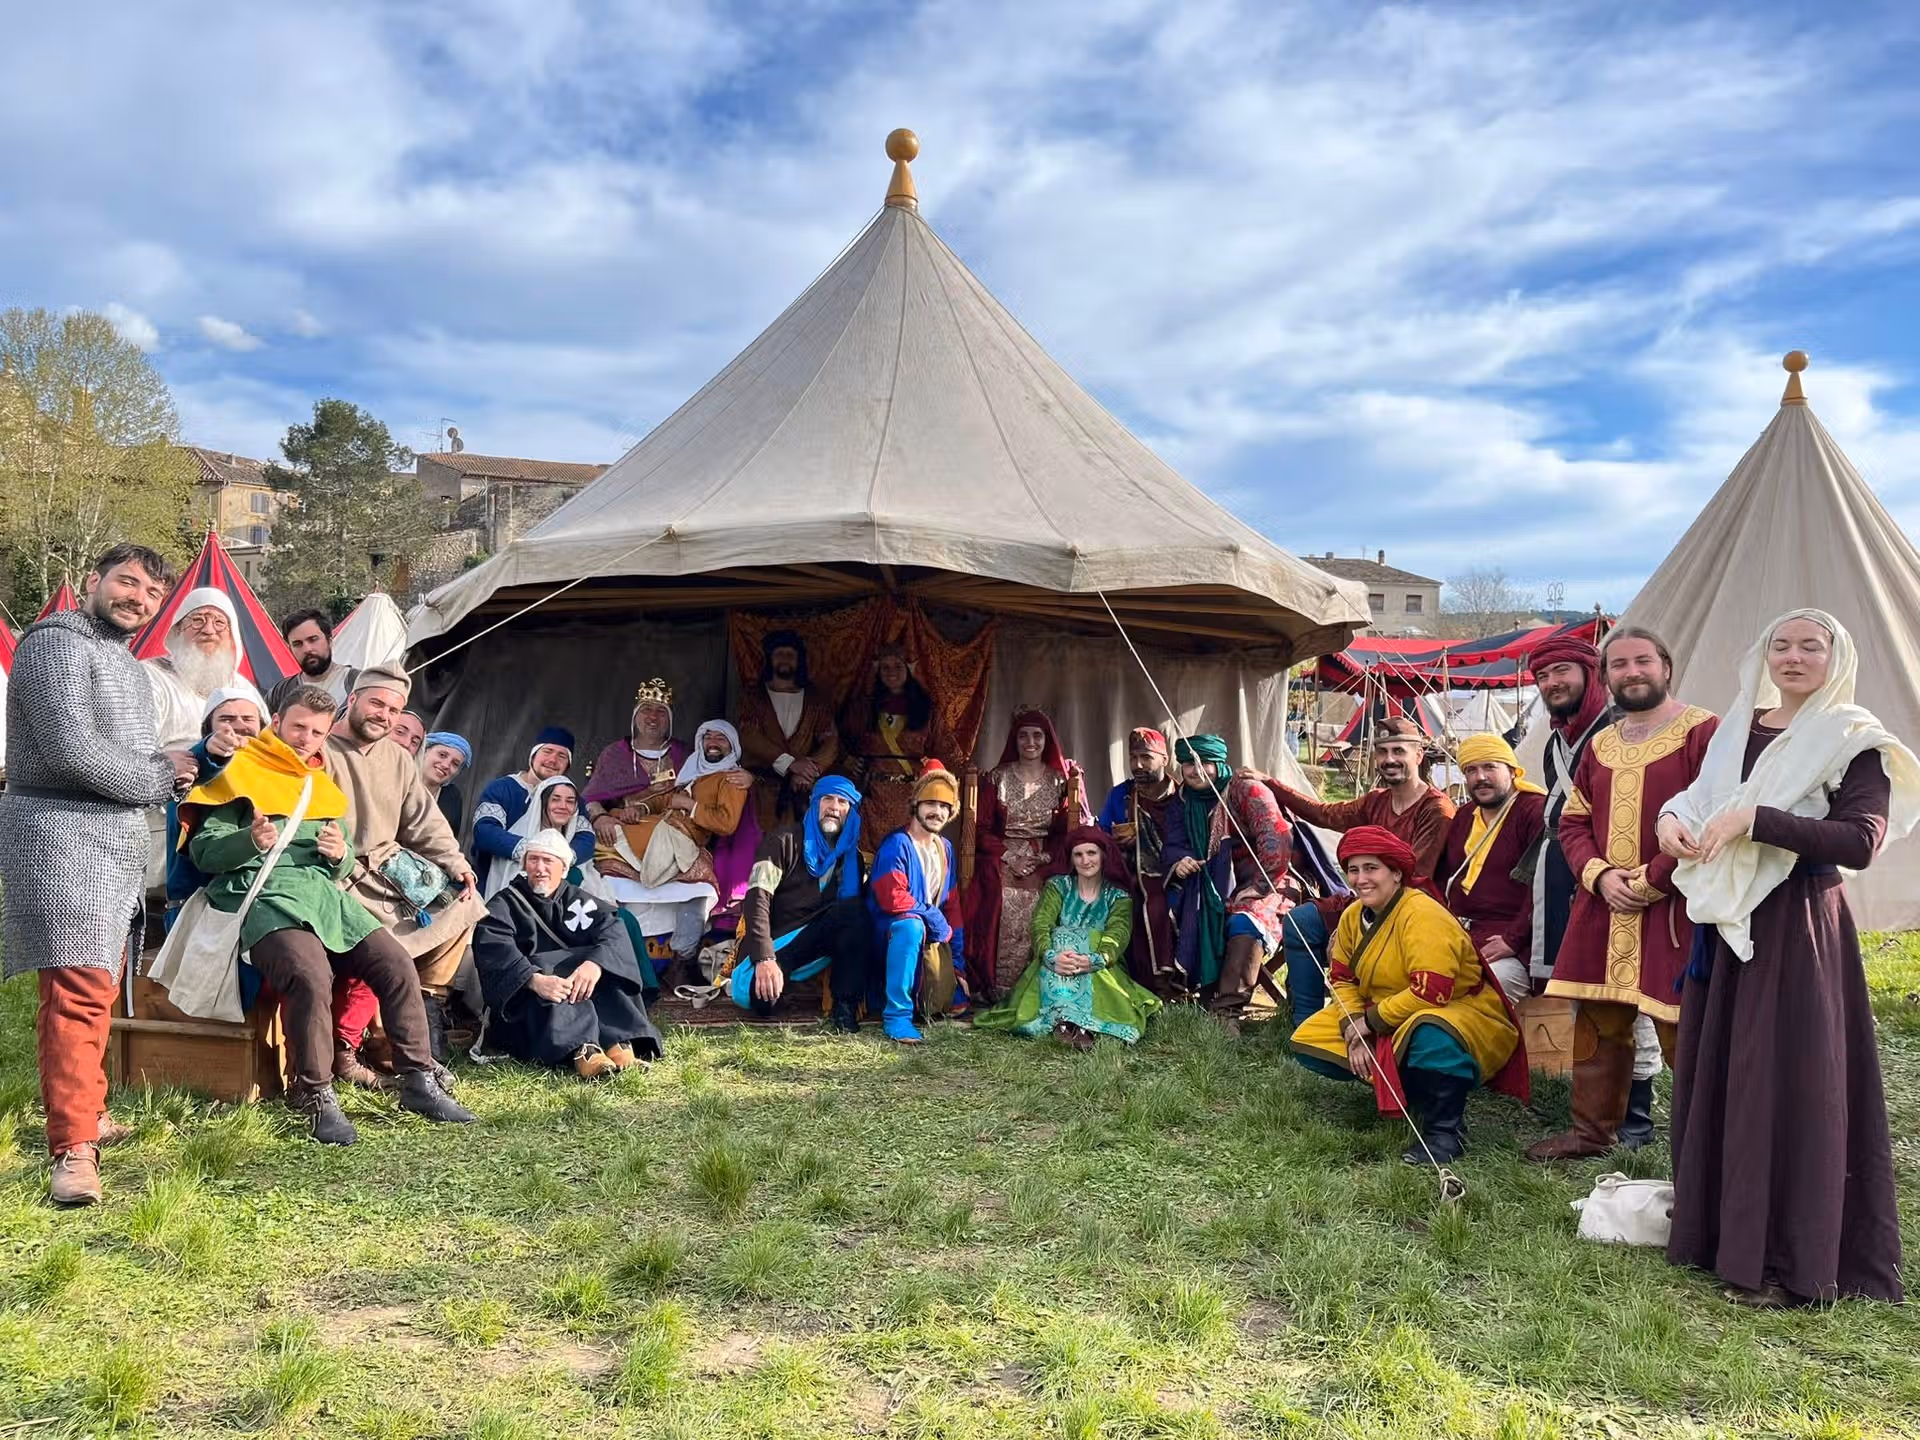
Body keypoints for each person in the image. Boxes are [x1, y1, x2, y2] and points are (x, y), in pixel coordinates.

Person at [1658, 610, 1918, 1306]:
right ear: (1764, 654)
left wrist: (1755, 820)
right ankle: (1718, 1236)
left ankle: (1787, 1259)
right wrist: (1671, 822)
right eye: (1782, 644)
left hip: (1797, 926)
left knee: (1787, 1084)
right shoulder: (1738, 727)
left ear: (1837, 655)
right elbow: (1698, 796)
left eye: (1811, 645)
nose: (1795, 657)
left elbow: (1861, 838)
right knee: (1730, 1076)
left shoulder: (1853, 738)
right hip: (1730, 921)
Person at [180, 689, 474, 1142]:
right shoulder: (241, 771)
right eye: (298, 727)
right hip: (264, 896)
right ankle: (314, 1090)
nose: (306, 739)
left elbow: (340, 855)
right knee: (309, 973)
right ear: (276, 721)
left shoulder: (317, 781)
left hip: (323, 896)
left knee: (395, 963)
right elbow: (203, 851)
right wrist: (249, 842)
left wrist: (340, 855)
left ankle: (417, 1078)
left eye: (317, 732)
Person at [1, 544, 196, 1206]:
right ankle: (72, 1150)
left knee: (95, 985)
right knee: (80, 990)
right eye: (126, 582)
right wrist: (160, 774)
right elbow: (70, 751)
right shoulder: (54, 645)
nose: (137, 598)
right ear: (94, 581)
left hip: (108, 843)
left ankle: (87, 1111)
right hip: (60, 836)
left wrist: (161, 767)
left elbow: (130, 752)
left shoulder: (127, 665)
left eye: (150, 593)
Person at [1526, 627, 1718, 1161]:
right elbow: (1573, 820)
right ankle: (1591, 1134)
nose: (1632, 672)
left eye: (1642, 661)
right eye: (1619, 665)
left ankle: (1707, 1146)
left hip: (1678, 903)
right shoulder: (1602, 744)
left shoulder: (1704, 732)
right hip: (1604, 901)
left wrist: (1653, 880)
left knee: (1686, 1028)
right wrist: (1600, 876)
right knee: (1596, 1022)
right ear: (1606, 677)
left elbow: (1712, 814)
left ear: (1666, 666)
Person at [1290, 827, 1526, 1164]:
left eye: (1371, 868)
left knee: (1432, 1035)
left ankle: (1445, 1131)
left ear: (1396, 873)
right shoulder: (1352, 917)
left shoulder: (1422, 915)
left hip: (1456, 1008)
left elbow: (1431, 993)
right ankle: (1415, 1088)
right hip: (1382, 1012)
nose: (1360, 879)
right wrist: (1353, 1025)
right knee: (1311, 1043)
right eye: (1353, 870)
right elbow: (1342, 978)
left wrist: (1368, 1024)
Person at [1527, 631, 1661, 1147]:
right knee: (1596, 998)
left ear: (1591, 674)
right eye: (1542, 675)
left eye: (1562, 671)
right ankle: (1598, 1121)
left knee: (1637, 998)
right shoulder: (1560, 741)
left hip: (1632, 884)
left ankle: (1636, 1122)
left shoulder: (1622, 729)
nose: (1552, 682)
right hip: (1580, 881)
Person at [323, 663, 487, 1061]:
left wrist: (456, 864)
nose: (384, 714)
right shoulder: (321, 749)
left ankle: (427, 1006)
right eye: (377, 703)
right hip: (336, 874)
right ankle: (365, 1042)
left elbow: (423, 821)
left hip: (386, 872)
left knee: (466, 904)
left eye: (393, 710)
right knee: (387, 945)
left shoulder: (396, 758)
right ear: (353, 700)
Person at [1251, 717, 1456, 1030]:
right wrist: (1270, 784)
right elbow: (1324, 813)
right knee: (1300, 922)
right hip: (1366, 899)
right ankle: (1306, 1025)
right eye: (1382, 752)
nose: (1389, 760)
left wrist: (1353, 925)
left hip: (1411, 912)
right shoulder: (1376, 801)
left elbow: (1416, 877)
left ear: (1419, 755)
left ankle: (1360, 1021)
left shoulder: (1436, 809)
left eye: (1398, 751)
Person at [473, 829, 664, 1080]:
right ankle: (584, 1051)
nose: (540, 868)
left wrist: (595, 965)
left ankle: (619, 1044)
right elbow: (494, 946)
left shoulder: (578, 900)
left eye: (548, 861)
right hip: (533, 999)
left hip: (576, 988)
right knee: (552, 972)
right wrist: (533, 979)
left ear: (563, 869)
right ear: (524, 864)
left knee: (604, 968)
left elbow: (613, 929)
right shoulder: (505, 904)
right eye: (533, 859)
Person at [594, 718, 752, 981]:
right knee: (604, 852)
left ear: (732, 746)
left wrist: (691, 807)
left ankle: (682, 960)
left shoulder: (731, 778)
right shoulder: (694, 771)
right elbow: (666, 798)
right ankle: (612, 953)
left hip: (681, 838)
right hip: (658, 828)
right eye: (708, 737)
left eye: (720, 738)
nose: (712, 742)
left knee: (700, 889)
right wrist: (641, 808)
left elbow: (727, 823)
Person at [976, 826, 1160, 1049]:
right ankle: (1065, 1022)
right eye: (1078, 854)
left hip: (1101, 964)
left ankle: (1080, 1025)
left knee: (1085, 938)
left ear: (1103, 855)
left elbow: (1118, 933)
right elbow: (1041, 923)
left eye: (1091, 853)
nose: (1085, 860)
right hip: (1056, 960)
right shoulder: (1058, 886)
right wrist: (1051, 955)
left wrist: (1095, 959)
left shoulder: (1118, 896)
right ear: (1071, 859)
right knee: (1062, 936)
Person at [1160, 734, 1294, 1033]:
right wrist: (1179, 859)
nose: (1194, 771)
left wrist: (1259, 885)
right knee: (1168, 906)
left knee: (1245, 921)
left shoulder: (1246, 790)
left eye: (1202, 763)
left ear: (1218, 763)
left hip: (1272, 879)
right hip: (1210, 881)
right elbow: (1173, 843)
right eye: (1187, 764)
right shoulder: (1182, 800)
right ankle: (1187, 993)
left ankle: (1227, 1011)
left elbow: (1276, 840)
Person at [966, 706, 1092, 999]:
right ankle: (993, 986)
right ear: (1014, 739)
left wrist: (1043, 858)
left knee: (1048, 894)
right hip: (1003, 853)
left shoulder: (1061, 781)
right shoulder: (997, 778)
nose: (1030, 742)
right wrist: (1010, 857)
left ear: (1047, 740)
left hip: (1044, 855)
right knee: (996, 893)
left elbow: (1067, 832)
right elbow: (981, 829)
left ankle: (1036, 986)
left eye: (1037, 735)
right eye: (1023, 736)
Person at [735, 775, 872, 1029]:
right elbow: (757, 900)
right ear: (814, 803)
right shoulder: (782, 842)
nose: (834, 807)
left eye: (842, 802)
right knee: (759, 1001)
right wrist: (765, 959)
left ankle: (845, 1007)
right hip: (779, 945)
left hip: (819, 942)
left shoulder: (852, 858)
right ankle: (778, 980)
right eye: (827, 799)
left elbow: (852, 928)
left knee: (853, 911)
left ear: (850, 811)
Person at [1436, 734, 1547, 1003]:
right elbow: (1441, 881)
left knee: (1483, 993)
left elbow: (1544, 887)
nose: (1480, 777)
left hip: (1515, 944)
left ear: (1512, 771)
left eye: (1490, 767)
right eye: (1471, 770)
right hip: (1463, 937)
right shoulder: (1464, 816)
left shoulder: (1534, 812)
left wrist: (1512, 939)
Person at [869, 761, 970, 1044]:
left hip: (929, 934)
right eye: (930, 803)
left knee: (956, 1003)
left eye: (944, 805)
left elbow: (952, 908)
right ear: (916, 804)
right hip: (889, 933)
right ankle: (897, 1015)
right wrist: (934, 918)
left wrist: (957, 966)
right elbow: (892, 898)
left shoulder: (945, 848)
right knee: (910, 926)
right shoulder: (897, 844)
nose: (937, 811)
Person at [1095, 727, 1181, 993]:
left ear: (1164, 759)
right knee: (1135, 901)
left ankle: (1166, 982)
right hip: (1129, 873)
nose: (1138, 765)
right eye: (1133, 758)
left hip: (1177, 875)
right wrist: (1117, 844)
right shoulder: (1121, 795)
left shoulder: (1182, 796)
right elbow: (1101, 836)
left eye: (1146, 757)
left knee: (1159, 905)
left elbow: (1192, 842)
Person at [738, 630, 840, 832]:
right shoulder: (753, 697)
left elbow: (831, 741)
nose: (784, 659)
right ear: (770, 660)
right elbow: (749, 736)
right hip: (760, 791)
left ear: (798, 661)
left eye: (790, 655)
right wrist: (791, 764)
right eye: (779, 654)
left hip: (801, 791)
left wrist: (810, 770)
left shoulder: (815, 699)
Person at [843, 643, 934, 846]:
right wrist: (847, 759)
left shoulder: (925, 708)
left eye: (897, 666)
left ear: (908, 670)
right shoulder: (864, 707)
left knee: (906, 854)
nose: (891, 672)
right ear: (878, 671)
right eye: (885, 667)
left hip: (911, 797)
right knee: (867, 857)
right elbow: (839, 739)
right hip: (872, 795)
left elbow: (944, 750)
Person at [470, 726, 576, 888]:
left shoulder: (571, 796)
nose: (553, 760)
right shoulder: (502, 788)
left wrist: (562, 857)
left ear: (568, 765)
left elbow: (585, 837)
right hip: (494, 879)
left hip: (554, 882)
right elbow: (484, 832)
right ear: (533, 756)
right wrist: (536, 852)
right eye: (547, 752)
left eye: (561, 756)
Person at [583, 679, 691, 826]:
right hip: (622, 827)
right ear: (635, 716)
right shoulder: (615, 754)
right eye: (646, 709)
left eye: (661, 711)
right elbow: (590, 798)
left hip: (671, 828)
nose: (653, 717)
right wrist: (600, 817)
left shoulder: (684, 755)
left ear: (670, 719)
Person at [144, 587, 242, 749]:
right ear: (178, 630)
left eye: (219, 623)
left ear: (232, 635)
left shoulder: (240, 687)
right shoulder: (151, 676)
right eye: (198, 621)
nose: (209, 630)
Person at [483, 776, 596, 900]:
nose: (563, 806)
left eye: (570, 801)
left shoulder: (575, 849)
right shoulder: (518, 844)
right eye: (555, 799)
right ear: (542, 802)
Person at [268, 609, 356, 714]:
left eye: (313, 639)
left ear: (329, 641)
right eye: (297, 644)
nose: (307, 649)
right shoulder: (279, 693)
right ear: (290, 649)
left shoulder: (358, 684)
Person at [419, 731, 472, 835]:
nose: (446, 765)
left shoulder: (452, 797)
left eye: (455, 764)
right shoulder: (399, 779)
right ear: (424, 751)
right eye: (442, 755)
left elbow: (450, 839)